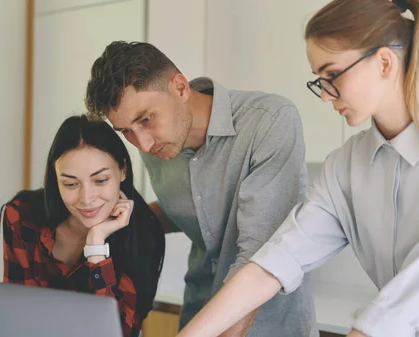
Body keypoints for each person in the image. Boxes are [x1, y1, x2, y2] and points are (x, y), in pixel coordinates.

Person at [175, 0, 419, 336]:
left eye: (332, 75)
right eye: (319, 80)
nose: (326, 95)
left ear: (385, 62)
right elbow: (275, 262)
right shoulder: (345, 167)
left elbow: (417, 291)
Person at [85, 42, 317, 337]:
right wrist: (116, 221)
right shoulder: (156, 145)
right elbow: (193, 211)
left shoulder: (269, 121)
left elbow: (259, 257)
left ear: (180, 87)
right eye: (127, 131)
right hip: (198, 313)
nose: (142, 144)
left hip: (271, 326)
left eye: (145, 119)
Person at [0, 115, 165, 337]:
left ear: (122, 171)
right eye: (70, 183)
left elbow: (118, 333)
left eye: (100, 180)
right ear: (55, 179)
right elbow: (17, 314)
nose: (86, 199)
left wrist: (96, 245)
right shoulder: (22, 216)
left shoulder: (144, 235)